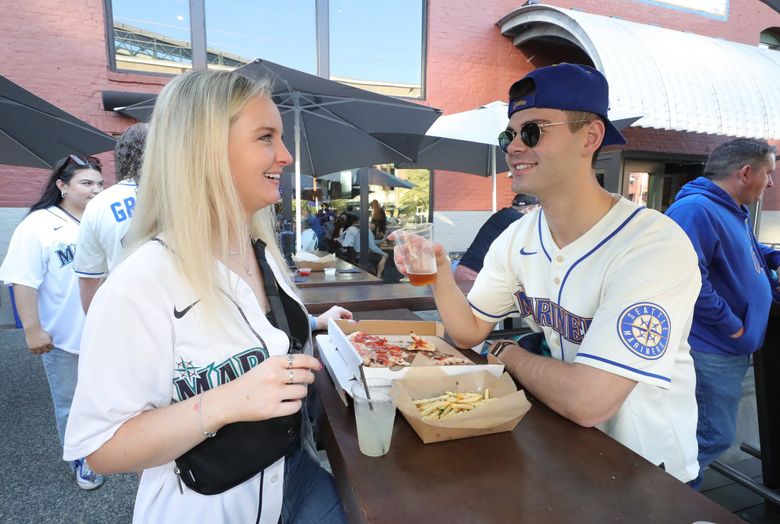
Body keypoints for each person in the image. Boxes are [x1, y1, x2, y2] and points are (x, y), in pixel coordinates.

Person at [392, 63, 702, 482]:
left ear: (590, 137)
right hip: (566, 453)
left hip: (650, 474)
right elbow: (467, 332)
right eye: (509, 135)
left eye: (533, 131)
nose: (514, 147)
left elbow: (588, 400)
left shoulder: (652, 245)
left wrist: (510, 353)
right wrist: (438, 272)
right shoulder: (516, 237)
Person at [63, 70, 349, 522]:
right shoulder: (140, 283)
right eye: (265, 137)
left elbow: (251, 333)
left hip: (293, 473)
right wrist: (227, 401)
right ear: (206, 151)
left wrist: (313, 323)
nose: (286, 155)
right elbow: (100, 447)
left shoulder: (262, 254)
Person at [665, 138, 779, 489]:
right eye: (768, 173)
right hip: (712, 348)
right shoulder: (696, 210)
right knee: (711, 437)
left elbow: (745, 250)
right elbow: (685, 275)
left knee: (709, 435)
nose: (771, 183)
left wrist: (773, 257)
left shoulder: (730, 208)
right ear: (746, 173)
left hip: (727, 347)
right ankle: (664, 501)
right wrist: (732, 327)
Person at [0, 154, 105, 490]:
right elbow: (22, 280)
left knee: (108, 394)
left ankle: (114, 446)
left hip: (107, 332)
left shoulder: (103, 218)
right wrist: (32, 329)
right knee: (70, 403)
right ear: (61, 186)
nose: (95, 190)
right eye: (86, 183)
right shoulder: (37, 225)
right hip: (63, 336)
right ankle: (82, 459)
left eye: (100, 184)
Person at [74, 122, 148, 312]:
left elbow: (90, 277)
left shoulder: (99, 204)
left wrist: (93, 324)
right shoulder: (182, 196)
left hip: (124, 309)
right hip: (179, 312)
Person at [454, 193, 539, 281]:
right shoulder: (518, 219)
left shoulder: (504, 214)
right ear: (528, 210)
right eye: (537, 209)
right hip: (473, 275)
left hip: (467, 271)